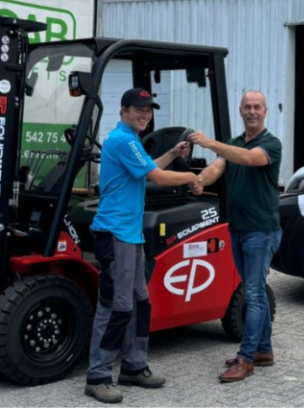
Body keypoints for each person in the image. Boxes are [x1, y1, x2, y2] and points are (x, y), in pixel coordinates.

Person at [85, 88, 202, 404]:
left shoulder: (131, 140)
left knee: (140, 301)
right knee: (116, 306)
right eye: (139, 109)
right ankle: (97, 375)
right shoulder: (122, 139)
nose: (145, 114)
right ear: (123, 110)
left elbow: (149, 167)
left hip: (130, 235)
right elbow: (160, 179)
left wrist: (173, 154)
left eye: (149, 109)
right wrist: (191, 175)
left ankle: (134, 367)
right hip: (116, 235)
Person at [189, 90, 281, 383]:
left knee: (253, 294)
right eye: (247, 107)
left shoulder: (271, 144)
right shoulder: (233, 144)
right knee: (255, 290)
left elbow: (249, 159)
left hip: (261, 230)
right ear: (240, 111)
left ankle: (246, 358)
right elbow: (219, 165)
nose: (251, 111)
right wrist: (200, 179)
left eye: (257, 107)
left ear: (265, 112)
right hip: (238, 228)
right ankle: (263, 350)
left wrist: (208, 142)